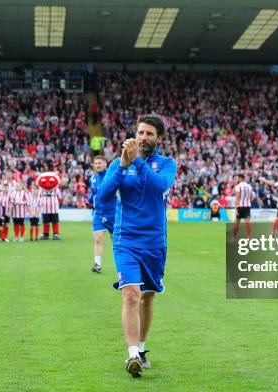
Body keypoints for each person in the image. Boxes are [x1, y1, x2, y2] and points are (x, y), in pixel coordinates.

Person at [97, 115, 177, 378]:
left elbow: (159, 187)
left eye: (149, 134)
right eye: (140, 132)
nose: (143, 137)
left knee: (148, 295)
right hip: (126, 241)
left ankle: (141, 348)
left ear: (159, 138)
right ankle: (132, 355)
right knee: (131, 293)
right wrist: (121, 165)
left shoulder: (166, 164)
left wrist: (138, 162)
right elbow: (103, 195)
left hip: (154, 242)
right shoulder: (119, 163)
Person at [87, 155, 116, 273]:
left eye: (100, 163)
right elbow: (93, 193)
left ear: (105, 164)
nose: (97, 165)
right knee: (98, 238)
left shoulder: (112, 176)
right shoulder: (92, 179)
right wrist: (88, 201)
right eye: (96, 163)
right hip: (98, 213)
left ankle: (122, 264)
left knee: (117, 241)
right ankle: (97, 264)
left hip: (113, 214)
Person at [232, 174, 253, 242]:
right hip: (247, 206)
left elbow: (237, 197)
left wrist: (235, 208)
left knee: (237, 224)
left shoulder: (238, 186)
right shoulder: (249, 186)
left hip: (240, 206)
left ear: (241, 178)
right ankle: (249, 237)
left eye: (238, 178)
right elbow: (250, 197)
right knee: (247, 222)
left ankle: (234, 237)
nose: (237, 179)